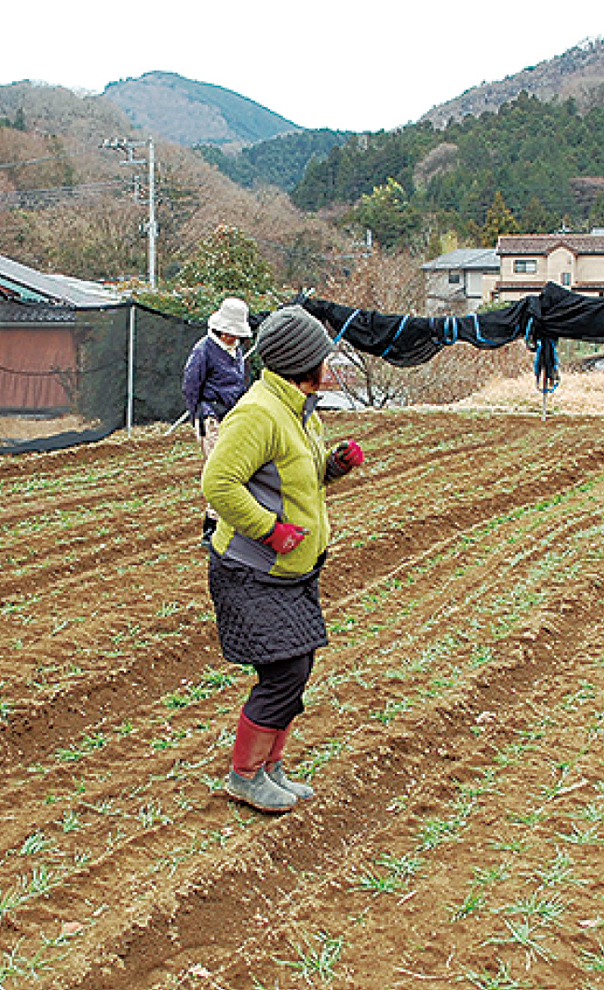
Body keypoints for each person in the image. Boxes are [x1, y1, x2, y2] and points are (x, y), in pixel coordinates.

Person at [201, 305, 364, 813]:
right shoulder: (259, 413)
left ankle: (270, 767)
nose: (329, 365)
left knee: (298, 667)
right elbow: (218, 483)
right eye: (322, 358)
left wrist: (332, 466)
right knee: (284, 671)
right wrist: (270, 531)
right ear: (302, 363)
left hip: (292, 571)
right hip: (252, 570)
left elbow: (296, 478)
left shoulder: (297, 409)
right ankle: (244, 774)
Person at [183, 297, 253, 548]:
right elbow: (191, 386)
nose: (234, 338)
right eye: (230, 333)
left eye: (237, 334)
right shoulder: (204, 350)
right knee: (219, 471)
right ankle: (210, 529)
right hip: (210, 417)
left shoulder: (237, 352)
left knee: (237, 469)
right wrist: (198, 417)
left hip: (231, 417)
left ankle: (229, 526)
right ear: (221, 328)